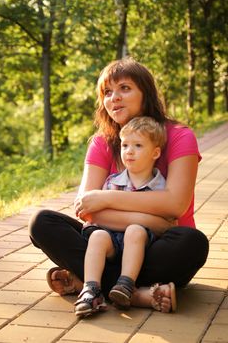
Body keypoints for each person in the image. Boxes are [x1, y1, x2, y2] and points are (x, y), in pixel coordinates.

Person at [29, 57, 209, 316]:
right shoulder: (102, 143)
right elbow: (86, 207)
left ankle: (91, 285)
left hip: (158, 250)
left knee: (193, 242)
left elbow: (175, 204)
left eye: (124, 88)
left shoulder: (180, 136)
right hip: (107, 246)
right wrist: (156, 221)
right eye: (107, 92)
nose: (114, 97)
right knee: (41, 222)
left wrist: (106, 199)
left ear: (145, 93)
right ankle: (134, 293)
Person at [74, 116, 176, 317]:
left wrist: (123, 214)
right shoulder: (112, 182)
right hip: (111, 241)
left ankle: (126, 285)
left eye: (138, 145)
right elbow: (94, 215)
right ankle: (90, 289)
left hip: (142, 246)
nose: (129, 151)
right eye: (125, 145)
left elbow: (167, 221)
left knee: (136, 230)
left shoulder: (161, 187)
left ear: (155, 153)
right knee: (97, 236)